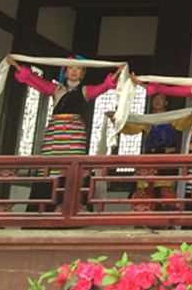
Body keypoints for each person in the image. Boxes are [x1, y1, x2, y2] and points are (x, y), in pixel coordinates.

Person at [7, 54, 121, 209]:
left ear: (83, 73)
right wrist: (16, 65)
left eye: (78, 69)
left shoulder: (86, 90)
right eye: (70, 68)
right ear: (65, 72)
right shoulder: (57, 89)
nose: (74, 71)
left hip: (74, 135)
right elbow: (36, 81)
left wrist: (117, 73)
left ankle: (70, 208)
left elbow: (104, 86)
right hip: (54, 135)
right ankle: (42, 210)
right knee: (48, 169)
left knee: (72, 168)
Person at [115, 92, 183, 213]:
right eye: (155, 98)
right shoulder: (147, 120)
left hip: (167, 159)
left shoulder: (173, 118)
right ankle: (143, 216)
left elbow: (186, 122)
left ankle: (164, 217)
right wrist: (117, 119)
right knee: (145, 189)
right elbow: (131, 128)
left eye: (160, 98)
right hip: (150, 158)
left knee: (166, 191)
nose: (157, 101)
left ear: (166, 102)